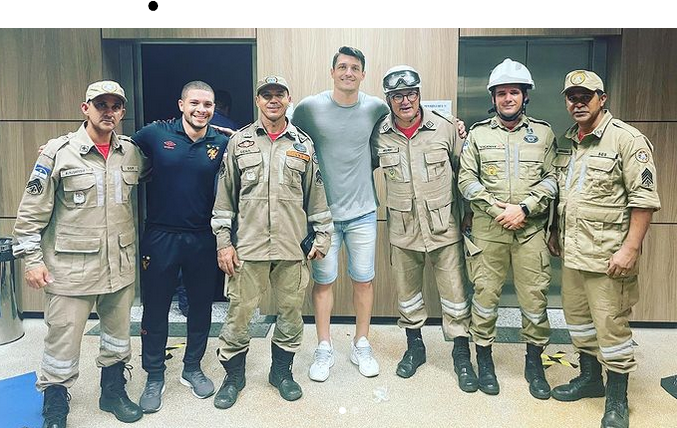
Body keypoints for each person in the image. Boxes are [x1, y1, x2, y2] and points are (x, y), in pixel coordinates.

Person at [12, 80, 145, 427]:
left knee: (118, 337)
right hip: (70, 270)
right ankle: (55, 404)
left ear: (122, 112)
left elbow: (167, 163)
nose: (108, 111)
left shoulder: (131, 152)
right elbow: (29, 215)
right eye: (100, 104)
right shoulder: (57, 153)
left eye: (115, 106)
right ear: (85, 108)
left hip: (119, 264)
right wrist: (32, 261)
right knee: (62, 343)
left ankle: (113, 391)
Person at [211, 75, 332, 409]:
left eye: (279, 94)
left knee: (291, 313)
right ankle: (233, 376)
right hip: (247, 249)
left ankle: (282, 372)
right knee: (239, 313)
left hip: (292, 248)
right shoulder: (240, 143)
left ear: (288, 98)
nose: (273, 100)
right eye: (267, 95)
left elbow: (317, 197)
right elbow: (225, 199)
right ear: (258, 100)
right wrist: (224, 242)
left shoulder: (303, 145)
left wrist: (322, 235)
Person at [548, 70, 661, 428]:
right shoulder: (571, 141)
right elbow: (565, 196)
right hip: (573, 253)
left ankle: (617, 400)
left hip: (609, 257)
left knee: (612, 329)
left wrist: (630, 249)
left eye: (586, 96)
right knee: (579, 325)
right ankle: (591, 379)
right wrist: (554, 230)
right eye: (572, 97)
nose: (578, 103)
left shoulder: (628, 140)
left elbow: (643, 200)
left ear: (603, 98)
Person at [370, 65, 477, 390]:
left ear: (419, 95)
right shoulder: (379, 134)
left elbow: (466, 171)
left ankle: (461, 354)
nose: (405, 101)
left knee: (456, 297)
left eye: (411, 93)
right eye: (398, 95)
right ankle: (414, 347)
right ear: (389, 99)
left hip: (445, 229)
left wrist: (470, 214)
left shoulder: (445, 128)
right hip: (403, 230)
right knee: (408, 296)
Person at [458, 58, 557, 398]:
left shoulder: (543, 133)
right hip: (489, 231)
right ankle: (484, 361)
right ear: (493, 97)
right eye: (501, 93)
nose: (508, 98)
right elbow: (466, 178)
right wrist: (495, 208)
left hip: (530, 232)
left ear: (525, 96)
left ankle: (534, 363)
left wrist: (524, 209)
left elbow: (552, 179)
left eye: (514, 92)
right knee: (484, 299)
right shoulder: (478, 134)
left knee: (535, 301)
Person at [291, 46, 389, 381]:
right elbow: (285, 136)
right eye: (342, 67)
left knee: (364, 280)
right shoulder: (309, 108)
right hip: (323, 217)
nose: (348, 73)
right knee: (324, 282)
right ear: (332, 72)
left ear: (363, 74)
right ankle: (324, 347)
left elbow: (410, 118)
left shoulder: (376, 106)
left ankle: (362, 343)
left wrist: (455, 127)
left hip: (363, 212)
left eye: (355, 68)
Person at [132, 81, 229, 413]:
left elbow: (251, 141)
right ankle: (154, 376)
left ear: (215, 109)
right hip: (160, 236)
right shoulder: (156, 134)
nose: (201, 109)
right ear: (181, 104)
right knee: (156, 308)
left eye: (208, 104)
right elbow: (112, 142)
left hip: (202, 236)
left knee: (200, 308)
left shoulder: (222, 140)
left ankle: (192, 367)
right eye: (195, 103)